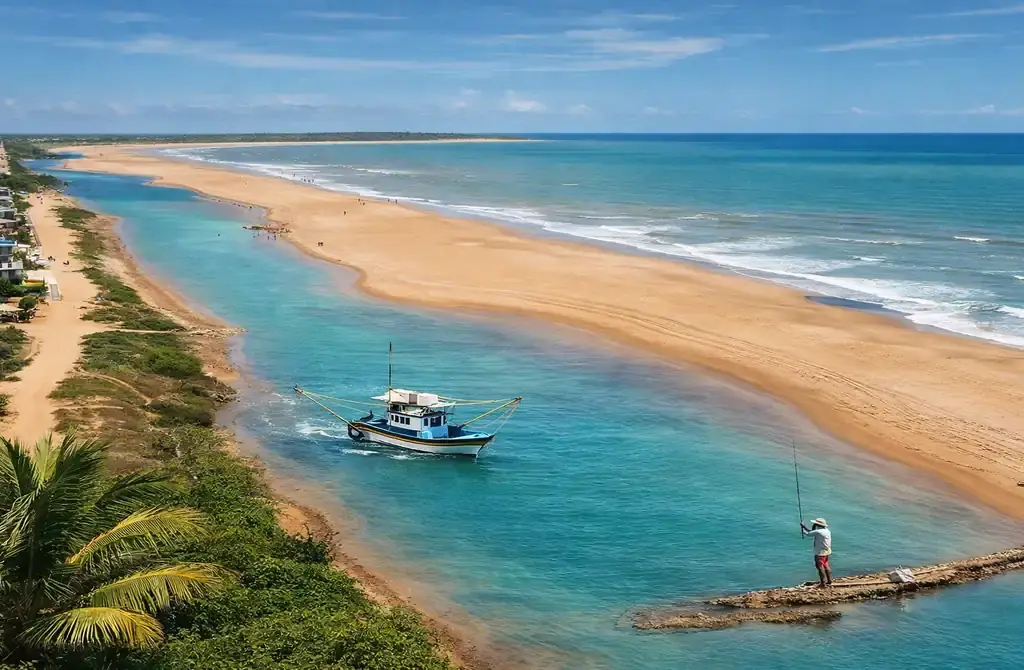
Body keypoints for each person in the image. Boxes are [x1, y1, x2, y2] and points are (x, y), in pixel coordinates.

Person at [800, 517, 832, 587]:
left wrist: (803, 527)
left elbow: (809, 533)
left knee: (820, 567)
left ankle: (822, 583)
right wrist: (805, 527)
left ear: (818, 524)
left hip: (820, 552)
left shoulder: (818, 531)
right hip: (827, 551)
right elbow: (812, 532)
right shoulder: (827, 530)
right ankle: (829, 580)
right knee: (826, 565)